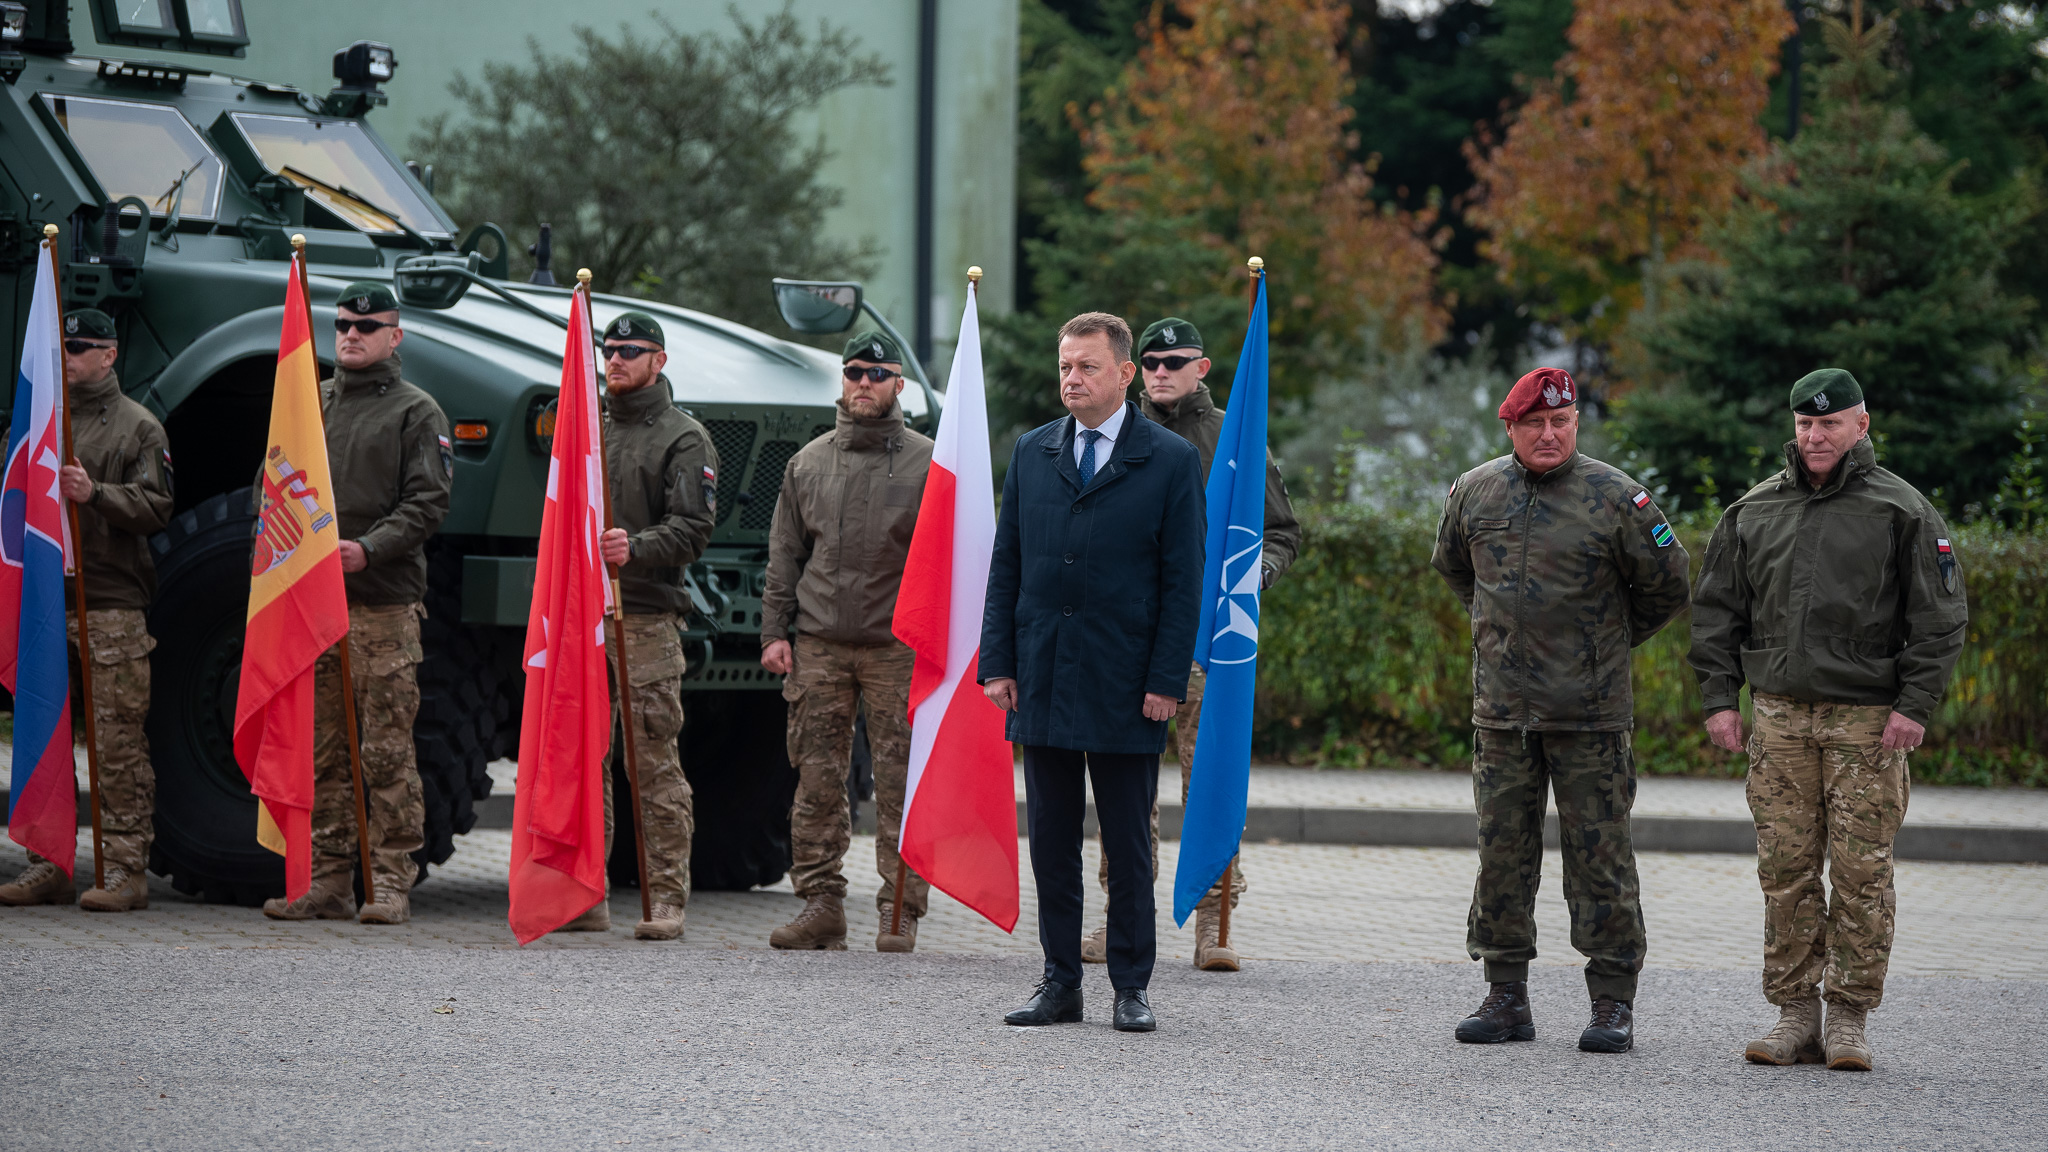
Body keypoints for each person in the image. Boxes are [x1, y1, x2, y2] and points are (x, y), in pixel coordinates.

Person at [1689, 368, 1967, 1072]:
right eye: (1806, 424)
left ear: (1860, 426)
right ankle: (1793, 1014)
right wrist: (1721, 700)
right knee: (1784, 870)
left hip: (1866, 725)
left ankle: (1848, 1018)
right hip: (1779, 721)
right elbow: (1716, 612)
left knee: (1861, 873)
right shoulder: (1754, 510)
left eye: (1830, 423)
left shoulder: (1899, 509)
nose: (1816, 436)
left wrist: (1914, 707)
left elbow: (1940, 621)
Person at [1430, 367, 1691, 1054]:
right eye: (1536, 424)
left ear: (1576, 423)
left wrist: (1601, 644)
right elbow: (1457, 570)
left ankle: (1612, 1002)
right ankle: (1506, 994)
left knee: (1601, 860)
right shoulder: (1474, 492)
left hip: (1592, 716)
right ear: (1510, 428)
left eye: (1563, 422)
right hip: (1502, 714)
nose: (1550, 434)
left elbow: (1668, 586)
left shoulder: (1616, 498)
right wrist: (1499, 635)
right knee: (1501, 856)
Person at [982, 312, 1206, 1033]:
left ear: (1125, 374)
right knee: (1049, 837)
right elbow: (1007, 564)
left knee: (1127, 841)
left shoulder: (1168, 459)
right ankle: (1059, 981)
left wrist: (1167, 679)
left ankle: (1131, 984)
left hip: (1126, 677)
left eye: (1086, 367)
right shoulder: (1032, 450)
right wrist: (999, 663)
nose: (1071, 380)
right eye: (1064, 367)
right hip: (1043, 668)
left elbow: (1183, 581)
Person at [1074, 316, 1301, 973]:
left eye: (1176, 361)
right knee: (1123, 791)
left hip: (1205, 643)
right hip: (1125, 640)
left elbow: (1280, 530)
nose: (1161, 372)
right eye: (1150, 362)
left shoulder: (1233, 438)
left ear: (1202, 368)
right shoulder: (1115, 434)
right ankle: (1122, 920)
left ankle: (1213, 923)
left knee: (1209, 780)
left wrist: (1253, 575)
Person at [262, 283, 450, 926]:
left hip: (383, 608)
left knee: (386, 752)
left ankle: (392, 882)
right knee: (325, 753)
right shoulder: (310, 405)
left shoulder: (416, 412)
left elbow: (428, 504)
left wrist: (368, 550)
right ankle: (329, 881)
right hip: (315, 606)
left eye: (367, 328)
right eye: (342, 325)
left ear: (395, 337)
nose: (351, 336)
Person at [760, 330, 934, 952]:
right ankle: (820, 903)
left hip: (897, 648)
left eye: (877, 373)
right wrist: (773, 633)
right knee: (817, 781)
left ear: (898, 385)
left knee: (900, 781)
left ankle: (901, 909)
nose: (864, 382)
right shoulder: (807, 462)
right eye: (854, 371)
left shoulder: (928, 463)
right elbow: (784, 555)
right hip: (819, 646)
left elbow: (948, 562)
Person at [0, 309, 172, 911]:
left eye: (80, 347)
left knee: (116, 746)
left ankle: (125, 869)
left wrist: (93, 493)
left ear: (109, 355)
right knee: (43, 741)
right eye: (63, 345)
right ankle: (47, 863)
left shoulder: (139, 427)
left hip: (109, 607)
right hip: (47, 605)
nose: (68, 356)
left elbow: (157, 507)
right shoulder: (38, 420)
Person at [561, 311, 717, 941]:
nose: (616, 359)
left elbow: (693, 529)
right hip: (583, 619)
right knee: (582, 760)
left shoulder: (683, 438)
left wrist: (638, 546)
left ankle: (665, 897)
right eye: (609, 349)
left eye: (631, 350)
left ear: (660, 360)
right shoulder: (586, 429)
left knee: (650, 763)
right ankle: (583, 893)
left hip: (646, 618)